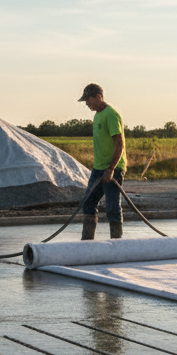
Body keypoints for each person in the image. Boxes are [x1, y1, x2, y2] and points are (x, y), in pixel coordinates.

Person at [77, 83, 126, 240]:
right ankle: (87, 242)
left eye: (89, 100)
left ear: (98, 97)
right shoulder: (97, 115)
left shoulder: (111, 115)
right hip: (98, 168)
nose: (87, 104)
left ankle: (117, 244)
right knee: (88, 203)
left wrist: (111, 168)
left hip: (113, 168)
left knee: (112, 207)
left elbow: (119, 144)